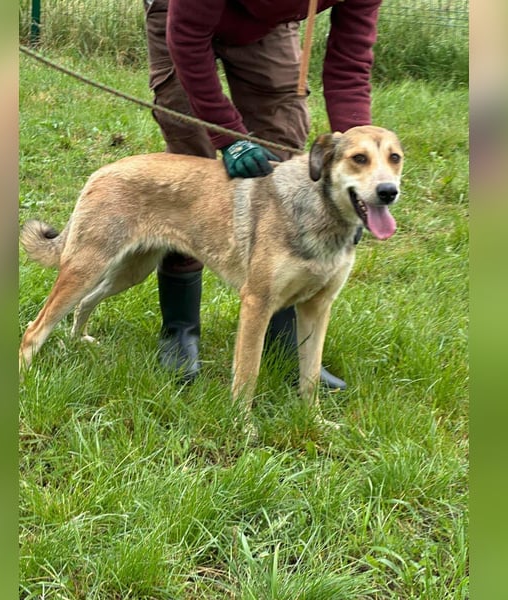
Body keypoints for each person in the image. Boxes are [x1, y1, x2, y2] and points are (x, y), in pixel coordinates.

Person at [143, 0, 383, 387]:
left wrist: (359, 167)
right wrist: (226, 134)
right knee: (190, 169)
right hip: (184, 17)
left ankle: (286, 340)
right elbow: (186, 37)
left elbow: (349, 63)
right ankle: (180, 330)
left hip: (267, 27)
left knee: (283, 143)